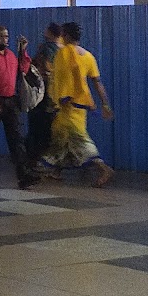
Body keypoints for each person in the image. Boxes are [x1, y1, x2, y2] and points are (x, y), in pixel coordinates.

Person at [41, 21, 115, 187]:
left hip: (66, 105)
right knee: (62, 138)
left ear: (66, 36)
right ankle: (56, 171)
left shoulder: (63, 53)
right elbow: (97, 82)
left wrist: (55, 99)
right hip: (81, 107)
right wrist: (105, 105)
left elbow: (57, 79)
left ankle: (103, 168)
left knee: (78, 139)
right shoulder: (88, 56)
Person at [0, 26, 39, 189]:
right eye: (2, 37)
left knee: (16, 138)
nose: (5, 40)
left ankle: (23, 175)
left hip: (10, 101)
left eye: (7, 36)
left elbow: (23, 68)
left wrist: (23, 51)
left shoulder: (11, 56)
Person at [27, 22, 62, 166]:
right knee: (49, 129)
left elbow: (44, 67)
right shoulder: (63, 50)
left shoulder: (46, 48)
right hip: (56, 96)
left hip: (42, 94)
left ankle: (34, 159)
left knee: (37, 127)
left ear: (50, 33)